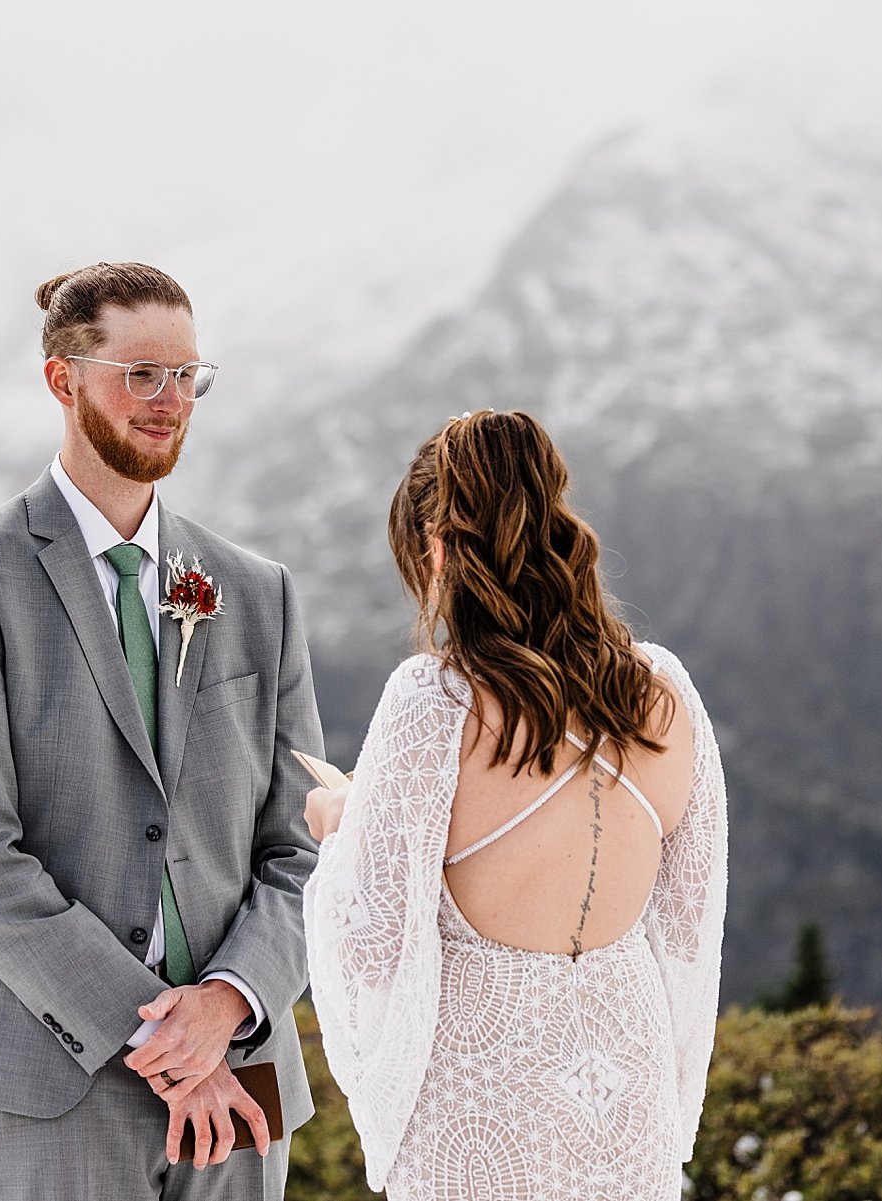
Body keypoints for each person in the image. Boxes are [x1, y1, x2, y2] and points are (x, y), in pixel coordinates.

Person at [0, 261, 322, 1200]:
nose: (170, 402)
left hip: (241, 1082)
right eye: (141, 374)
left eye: (188, 376)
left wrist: (227, 1004)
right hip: (45, 1083)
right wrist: (161, 1036)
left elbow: (302, 846)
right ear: (63, 379)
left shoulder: (257, 591)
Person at [302, 410, 728, 1200]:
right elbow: (689, 911)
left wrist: (338, 826)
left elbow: (370, 942)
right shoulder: (665, 693)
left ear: (435, 543)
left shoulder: (436, 700)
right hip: (626, 1097)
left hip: (481, 1108)